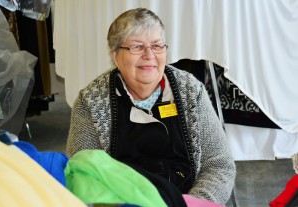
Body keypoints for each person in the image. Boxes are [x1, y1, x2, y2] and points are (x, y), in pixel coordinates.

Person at [66, 7, 236, 206]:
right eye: (137, 47)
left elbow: (219, 165)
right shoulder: (91, 102)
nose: (149, 55)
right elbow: (83, 172)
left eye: (156, 46)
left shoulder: (191, 91)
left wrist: (192, 203)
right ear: (115, 56)